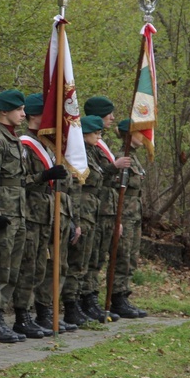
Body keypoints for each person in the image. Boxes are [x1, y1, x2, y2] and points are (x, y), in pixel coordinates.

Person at [0, 89, 67, 344]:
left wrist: (44, 177)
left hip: (20, 212)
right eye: (18, 110)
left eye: (23, 109)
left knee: (14, 269)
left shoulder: (16, 140)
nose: (23, 114)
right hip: (6, 214)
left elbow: (20, 181)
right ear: (4, 112)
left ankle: (9, 319)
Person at [16, 93, 70, 336]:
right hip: (30, 213)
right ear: (36, 116)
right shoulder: (24, 144)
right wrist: (44, 177)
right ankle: (22, 315)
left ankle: (42, 312)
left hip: (46, 214)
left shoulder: (46, 146)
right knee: (29, 266)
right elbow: (17, 182)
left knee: (42, 266)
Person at [82, 96, 129, 322]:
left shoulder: (99, 142)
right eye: (109, 113)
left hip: (104, 208)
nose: (112, 118)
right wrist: (113, 167)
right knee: (89, 258)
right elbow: (94, 175)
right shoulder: (87, 145)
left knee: (98, 257)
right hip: (94, 209)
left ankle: (91, 298)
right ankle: (84, 300)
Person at [68, 116, 106, 322]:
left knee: (86, 261)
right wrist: (77, 220)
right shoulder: (78, 155)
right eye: (95, 133)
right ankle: (71, 305)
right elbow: (76, 188)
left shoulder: (92, 154)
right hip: (82, 210)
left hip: (91, 211)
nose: (99, 137)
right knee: (77, 261)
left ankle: (82, 301)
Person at [108, 119, 148, 318]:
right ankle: (116, 297)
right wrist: (118, 219)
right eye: (140, 132)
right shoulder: (121, 157)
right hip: (124, 214)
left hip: (135, 214)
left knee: (131, 257)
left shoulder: (134, 158)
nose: (145, 136)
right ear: (129, 135)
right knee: (121, 256)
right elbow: (115, 191)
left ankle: (124, 293)